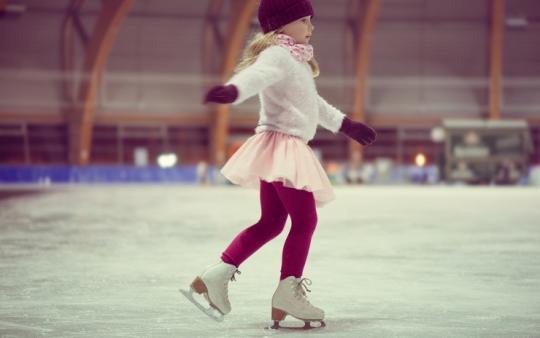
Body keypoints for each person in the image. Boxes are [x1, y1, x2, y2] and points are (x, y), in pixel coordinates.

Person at [181, 0, 376, 329]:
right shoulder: (277, 54)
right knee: (305, 220)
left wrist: (346, 125)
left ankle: (215, 276)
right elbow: (258, 75)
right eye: (303, 20)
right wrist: (234, 90)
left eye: (311, 21)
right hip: (284, 145)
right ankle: (287, 290)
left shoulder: (296, 60)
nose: (310, 27)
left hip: (280, 146)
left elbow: (312, 103)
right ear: (280, 24)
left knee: (272, 222)